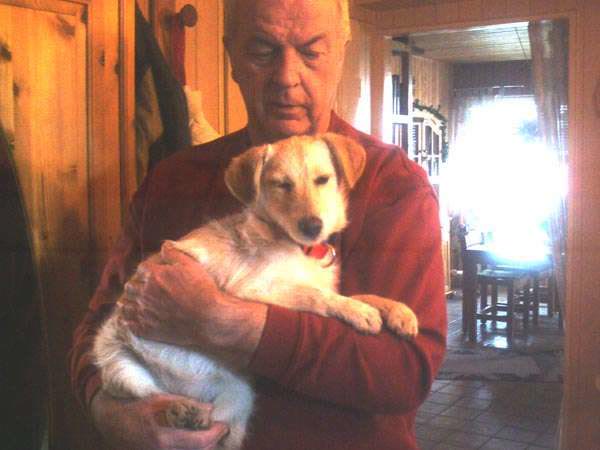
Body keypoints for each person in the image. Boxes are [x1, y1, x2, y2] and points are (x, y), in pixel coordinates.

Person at [69, 0, 447, 449]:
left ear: (341, 51)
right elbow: (100, 324)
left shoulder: (395, 186)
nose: (286, 77)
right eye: (262, 50)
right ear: (230, 55)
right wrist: (110, 413)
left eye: (311, 51)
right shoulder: (171, 182)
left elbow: (405, 372)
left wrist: (221, 320)